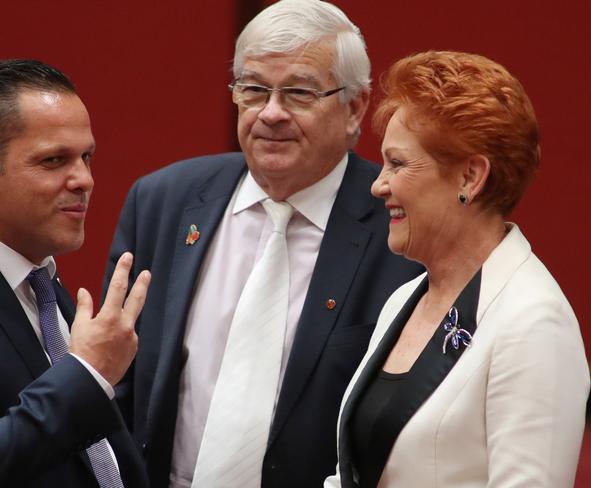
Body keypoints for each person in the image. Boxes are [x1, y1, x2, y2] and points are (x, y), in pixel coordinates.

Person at [103, 1, 423, 487]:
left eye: (298, 92)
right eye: (253, 90)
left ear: (354, 107)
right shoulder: (163, 202)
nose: (271, 113)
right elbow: (117, 383)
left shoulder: (401, 225)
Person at [324, 50, 590, 488]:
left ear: (470, 177)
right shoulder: (404, 300)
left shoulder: (535, 323)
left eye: (399, 163)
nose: (378, 184)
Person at [0, 59, 151, 487]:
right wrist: (86, 373)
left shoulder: (43, 286)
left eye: (86, 157)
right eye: (53, 160)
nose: (84, 179)